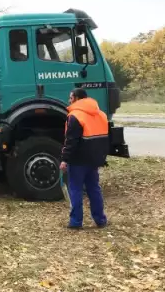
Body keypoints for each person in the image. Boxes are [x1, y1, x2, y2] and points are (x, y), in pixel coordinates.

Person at [60, 88, 110, 229]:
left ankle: (76, 222)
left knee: (75, 189)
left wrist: (65, 159)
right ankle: (100, 220)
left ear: (76, 98)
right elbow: (105, 138)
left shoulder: (75, 116)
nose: (69, 100)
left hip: (78, 160)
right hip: (94, 159)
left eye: (70, 98)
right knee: (94, 188)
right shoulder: (101, 114)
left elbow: (71, 141)